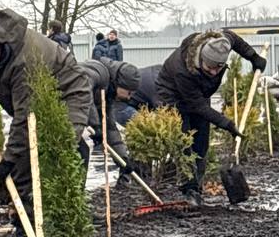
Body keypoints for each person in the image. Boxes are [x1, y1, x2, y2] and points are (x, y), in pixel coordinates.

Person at [0, 11, 92, 237]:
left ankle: (63, 232)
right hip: (28, 100)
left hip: (67, 92)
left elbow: (24, 119)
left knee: (56, 156)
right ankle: (25, 236)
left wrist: (8, 159)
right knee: (21, 168)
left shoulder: (26, 59)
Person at [156, 29, 266, 201]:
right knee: (184, 141)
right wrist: (227, 124)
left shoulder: (220, 43)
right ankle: (189, 189)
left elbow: (234, 39)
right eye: (210, 68)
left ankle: (197, 186)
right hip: (172, 94)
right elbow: (197, 106)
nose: (214, 72)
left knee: (201, 142)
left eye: (219, 68)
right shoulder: (182, 70)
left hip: (200, 92)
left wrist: (253, 57)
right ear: (200, 59)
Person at [79, 58, 142, 182]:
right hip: (57, 105)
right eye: (129, 93)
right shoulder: (98, 71)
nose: (129, 98)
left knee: (82, 152)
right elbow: (83, 89)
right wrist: (95, 124)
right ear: (121, 84)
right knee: (80, 153)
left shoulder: (109, 93)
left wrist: (122, 159)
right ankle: (73, 198)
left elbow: (110, 127)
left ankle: (75, 197)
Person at [115, 63, 161, 127]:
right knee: (149, 127)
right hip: (120, 104)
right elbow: (165, 113)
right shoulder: (159, 86)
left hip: (134, 99)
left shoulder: (161, 71)